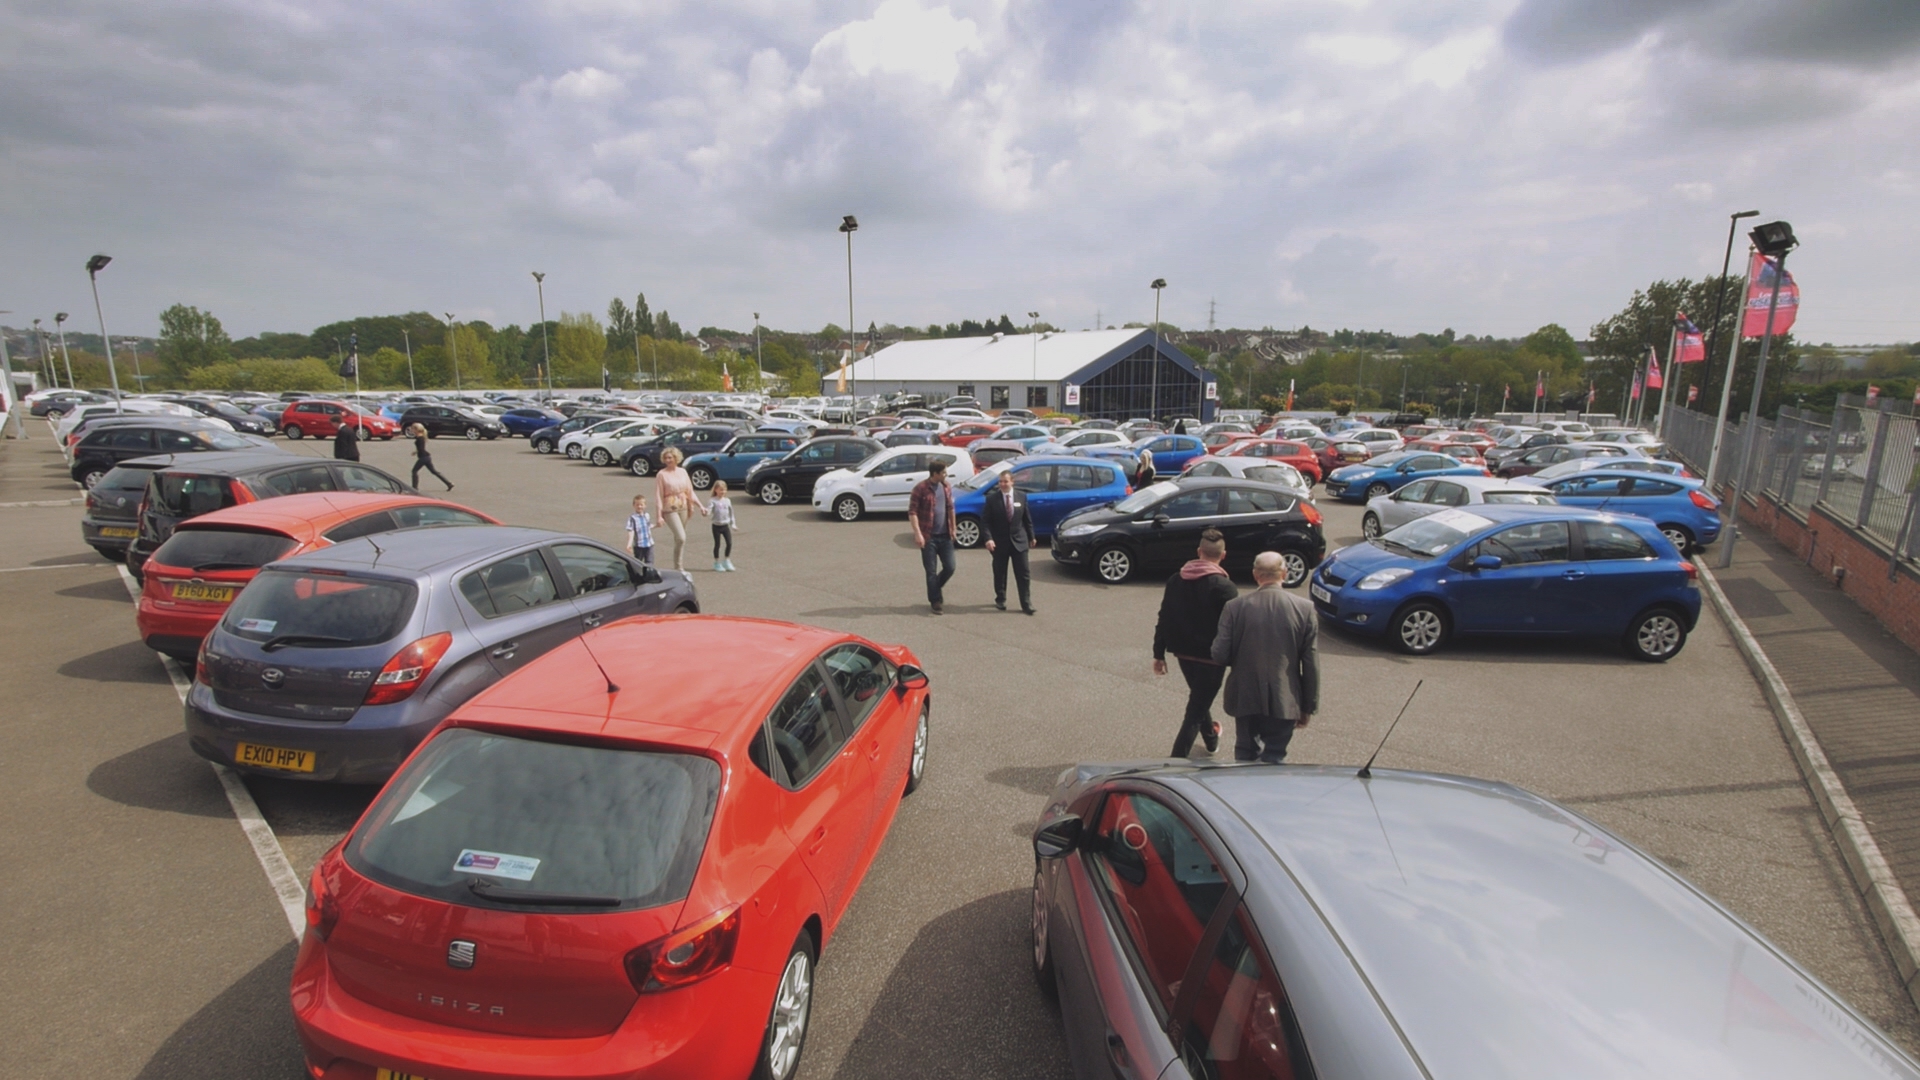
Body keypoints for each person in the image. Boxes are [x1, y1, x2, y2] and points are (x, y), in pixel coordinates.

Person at [1209, 550, 1319, 763]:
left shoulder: (1234, 607)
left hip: (1245, 696)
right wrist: (1309, 706)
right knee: (1275, 757)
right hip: (1285, 698)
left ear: (1255, 575)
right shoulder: (1305, 609)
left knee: (1245, 753)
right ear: (1284, 574)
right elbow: (1311, 662)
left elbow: (1220, 654)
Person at [1153, 528, 1238, 756]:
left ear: (1198, 551)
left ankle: (1211, 739)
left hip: (1183, 655)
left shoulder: (1175, 580)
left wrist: (1158, 653)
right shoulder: (1226, 588)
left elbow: (1164, 616)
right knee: (1194, 712)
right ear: (1223, 555)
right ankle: (1174, 763)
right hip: (1212, 660)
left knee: (1199, 702)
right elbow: (1234, 629)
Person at [982, 469, 1035, 614]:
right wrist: (988, 539)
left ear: (1012, 482)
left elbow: (1026, 518)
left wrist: (1032, 536)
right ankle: (1000, 599)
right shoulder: (992, 499)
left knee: (1023, 573)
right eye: (1000, 481)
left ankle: (1026, 603)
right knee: (1000, 573)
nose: (1003, 484)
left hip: (1019, 541)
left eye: (1005, 481)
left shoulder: (1021, 497)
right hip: (1000, 542)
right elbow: (986, 522)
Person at [908, 457, 957, 614]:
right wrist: (918, 534)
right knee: (931, 571)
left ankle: (934, 587)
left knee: (950, 567)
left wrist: (953, 528)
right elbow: (912, 512)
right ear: (935, 473)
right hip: (928, 537)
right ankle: (935, 601)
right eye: (943, 472)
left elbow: (950, 508)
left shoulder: (946, 487)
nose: (946, 475)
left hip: (945, 536)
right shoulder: (920, 488)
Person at [654, 446, 700, 572]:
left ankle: (678, 565)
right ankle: (679, 567)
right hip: (670, 508)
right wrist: (659, 515)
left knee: (680, 539)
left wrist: (700, 506)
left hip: (684, 506)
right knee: (681, 537)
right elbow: (658, 495)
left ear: (676, 458)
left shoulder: (683, 472)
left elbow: (690, 491)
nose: (668, 460)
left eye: (670, 457)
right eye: (666, 458)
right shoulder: (661, 474)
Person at [408, 423, 452, 490]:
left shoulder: (420, 438)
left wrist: (417, 452)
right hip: (426, 457)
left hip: (423, 458)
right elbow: (421, 448)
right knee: (434, 471)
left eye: (412, 429)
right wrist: (416, 452)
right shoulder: (420, 437)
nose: (411, 430)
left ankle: (414, 488)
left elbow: (421, 449)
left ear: (416, 429)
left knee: (414, 471)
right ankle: (449, 483)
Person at [707, 481, 738, 572]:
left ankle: (726, 560)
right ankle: (716, 562)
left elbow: (731, 513)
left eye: (724, 490)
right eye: (721, 490)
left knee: (729, 543)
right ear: (716, 490)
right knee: (717, 544)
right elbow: (709, 510)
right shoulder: (712, 500)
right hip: (716, 526)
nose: (723, 492)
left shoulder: (727, 500)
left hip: (725, 525)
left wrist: (733, 524)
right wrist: (706, 512)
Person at [624, 494, 655, 567]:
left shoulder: (647, 515)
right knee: (638, 564)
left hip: (649, 544)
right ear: (634, 505)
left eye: (641, 505)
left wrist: (657, 525)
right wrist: (629, 544)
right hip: (639, 546)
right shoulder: (632, 518)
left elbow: (649, 526)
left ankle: (649, 576)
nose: (639, 506)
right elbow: (631, 532)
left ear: (645, 505)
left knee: (650, 563)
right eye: (637, 505)